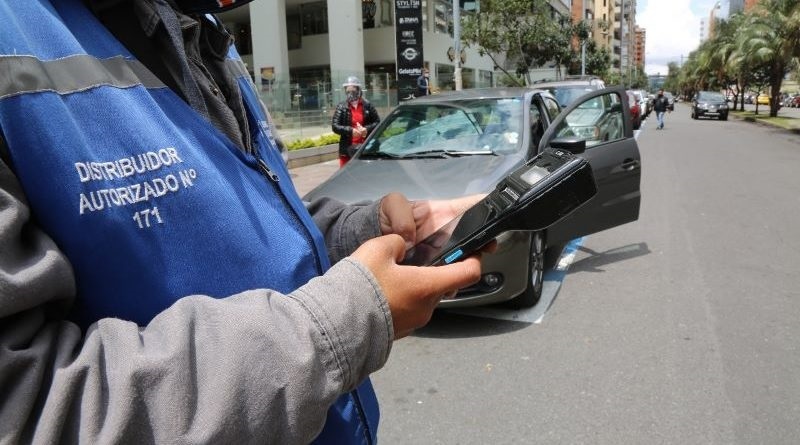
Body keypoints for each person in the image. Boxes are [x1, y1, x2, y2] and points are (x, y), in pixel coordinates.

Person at [0, 1, 486, 443]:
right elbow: (30, 409)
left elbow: (259, 220)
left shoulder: (200, 29)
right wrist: (341, 324)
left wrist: (362, 231)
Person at [331, 76, 380, 167]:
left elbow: (377, 122)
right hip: (347, 148)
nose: (350, 94)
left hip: (365, 147)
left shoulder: (367, 105)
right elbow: (335, 126)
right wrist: (351, 131)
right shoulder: (341, 106)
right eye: (347, 91)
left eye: (353, 91)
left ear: (358, 90)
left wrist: (366, 129)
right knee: (346, 175)